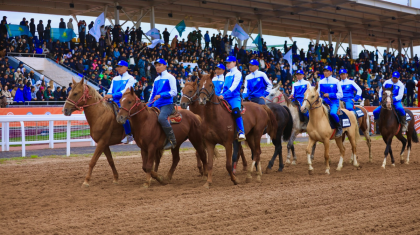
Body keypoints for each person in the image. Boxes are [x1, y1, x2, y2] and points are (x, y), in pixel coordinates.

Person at [148, 58, 178, 149]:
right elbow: (153, 94)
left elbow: (174, 92)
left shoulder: (170, 77)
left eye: (159, 65)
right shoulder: (156, 79)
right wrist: (147, 106)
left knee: (161, 118)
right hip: (156, 105)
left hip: (167, 104)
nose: (157, 67)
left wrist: (161, 95)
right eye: (156, 65)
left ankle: (172, 140)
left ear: (165, 66)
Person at [104, 60, 136, 144]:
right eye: (117, 66)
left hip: (123, 102)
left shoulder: (130, 78)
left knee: (122, 116)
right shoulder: (115, 78)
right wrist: (107, 95)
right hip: (113, 101)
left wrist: (112, 96)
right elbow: (111, 89)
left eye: (120, 66)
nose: (118, 68)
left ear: (126, 68)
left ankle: (129, 134)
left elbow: (125, 91)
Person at [218, 56, 246, 141]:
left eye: (229, 62)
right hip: (225, 96)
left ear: (234, 62)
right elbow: (224, 87)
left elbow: (234, 86)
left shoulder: (238, 73)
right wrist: (220, 94)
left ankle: (241, 132)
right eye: (226, 63)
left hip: (234, 97)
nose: (227, 64)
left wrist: (224, 94)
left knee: (236, 111)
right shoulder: (227, 74)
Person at [318, 65, 344, 138]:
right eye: (324, 71)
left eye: (327, 71)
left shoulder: (336, 81)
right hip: (323, 102)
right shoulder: (320, 82)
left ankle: (339, 128)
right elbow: (318, 93)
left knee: (332, 113)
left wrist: (329, 95)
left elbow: (341, 94)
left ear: (331, 72)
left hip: (334, 102)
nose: (325, 72)